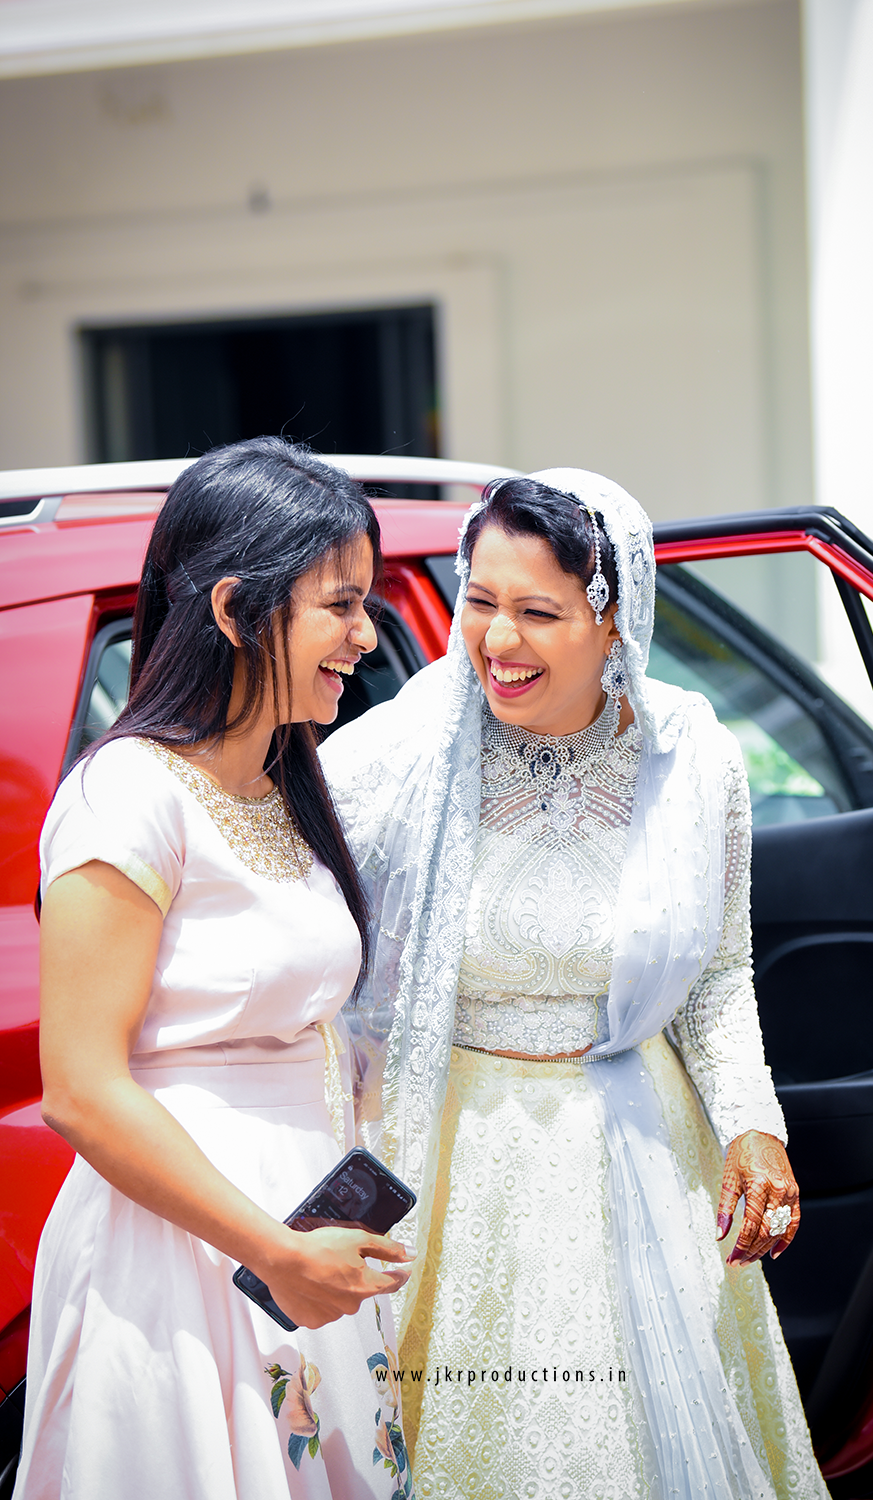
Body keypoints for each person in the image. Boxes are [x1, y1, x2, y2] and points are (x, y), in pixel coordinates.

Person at [321, 470, 830, 1500]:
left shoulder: (694, 761)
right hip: (457, 1163)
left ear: (611, 621)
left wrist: (752, 1125)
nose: (497, 640)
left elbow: (717, 972)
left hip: (647, 1152)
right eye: (479, 600)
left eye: (538, 612)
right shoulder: (391, 758)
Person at [16, 438, 414, 1500]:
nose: (365, 637)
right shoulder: (125, 795)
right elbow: (82, 1090)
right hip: (186, 1247)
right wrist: (270, 1252)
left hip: (302, 1236)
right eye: (340, 605)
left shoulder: (283, 785)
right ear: (237, 610)